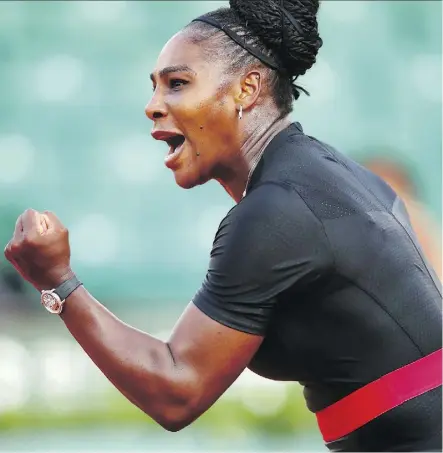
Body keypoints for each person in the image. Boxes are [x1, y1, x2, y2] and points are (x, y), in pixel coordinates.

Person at [4, 1, 442, 451]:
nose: (152, 106)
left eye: (177, 84)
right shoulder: (329, 174)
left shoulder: (277, 211)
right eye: (154, 88)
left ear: (247, 88)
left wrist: (57, 282)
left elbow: (176, 391)